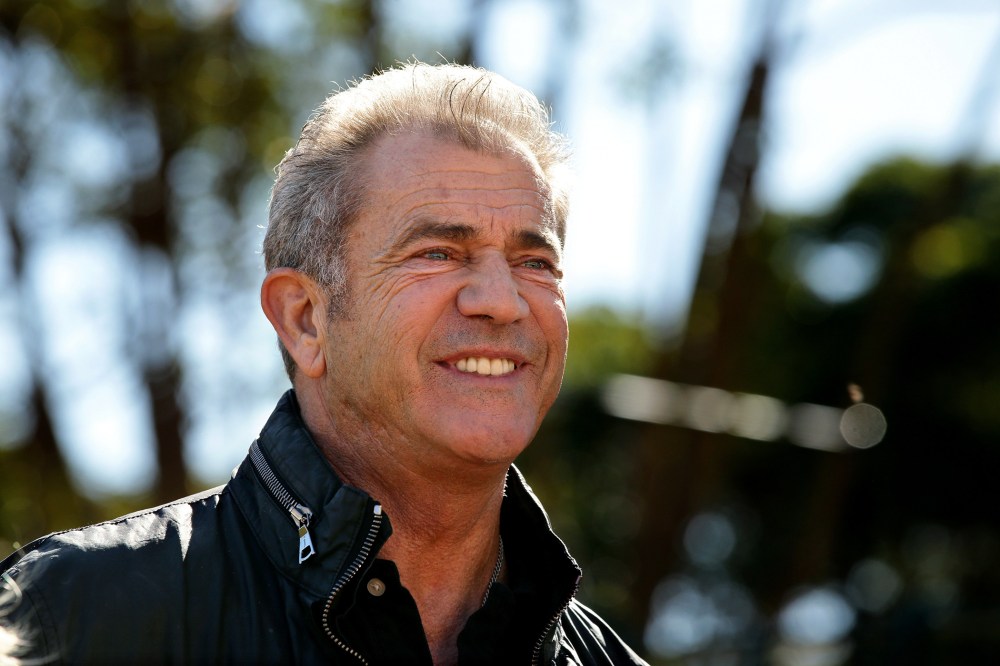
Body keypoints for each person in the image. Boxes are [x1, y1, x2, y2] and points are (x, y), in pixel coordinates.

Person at [0, 62, 647, 665]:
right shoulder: (71, 616)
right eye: (438, 253)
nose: (502, 302)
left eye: (535, 263)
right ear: (305, 319)